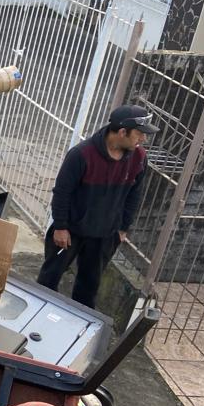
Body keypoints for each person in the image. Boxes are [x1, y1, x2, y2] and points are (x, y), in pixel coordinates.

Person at [36, 105, 158, 309]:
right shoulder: (81, 155)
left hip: (106, 234)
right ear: (121, 132)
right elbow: (62, 192)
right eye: (139, 134)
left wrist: (122, 228)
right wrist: (60, 226)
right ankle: (37, 314)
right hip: (70, 231)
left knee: (89, 286)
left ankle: (78, 327)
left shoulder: (138, 158)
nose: (143, 139)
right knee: (50, 277)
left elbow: (134, 195)